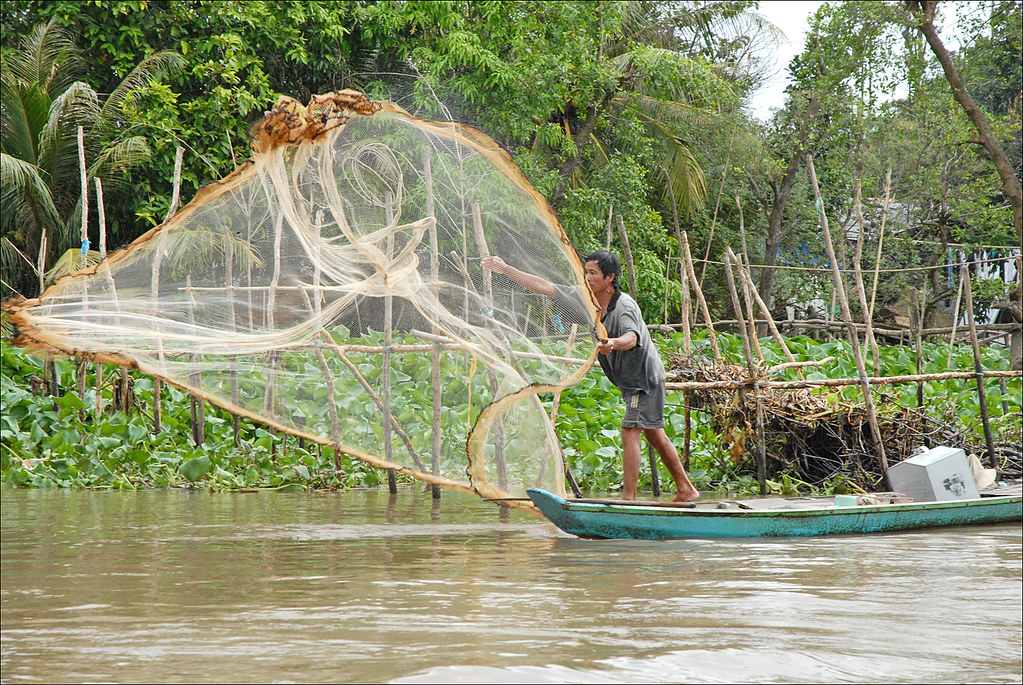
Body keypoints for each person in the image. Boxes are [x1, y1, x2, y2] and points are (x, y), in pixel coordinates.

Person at [482, 250, 699, 502]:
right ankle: (685, 489)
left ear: (610, 278)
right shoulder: (587, 298)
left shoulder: (624, 305)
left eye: (593, 273)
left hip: (643, 377)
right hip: (631, 379)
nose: (587, 278)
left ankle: (628, 498)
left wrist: (613, 343)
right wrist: (506, 269)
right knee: (655, 434)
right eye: (586, 272)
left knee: (630, 430)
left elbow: (633, 337)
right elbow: (545, 286)